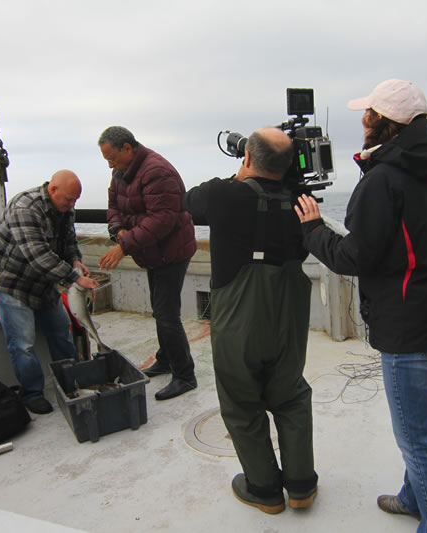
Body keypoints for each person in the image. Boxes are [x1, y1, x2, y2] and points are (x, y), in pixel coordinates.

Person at [295, 79, 427, 532]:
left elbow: (355, 257)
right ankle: (414, 498)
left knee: (417, 441)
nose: (363, 121)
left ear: (385, 124)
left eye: (368, 113)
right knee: (422, 425)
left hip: (410, 330)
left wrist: (313, 230)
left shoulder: (383, 180)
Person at [184, 127, 317, 514]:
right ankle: (302, 487)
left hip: (239, 316)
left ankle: (264, 490)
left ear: (246, 158)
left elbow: (188, 202)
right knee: (290, 395)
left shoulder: (224, 194)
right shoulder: (302, 199)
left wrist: (238, 176)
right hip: (289, 315)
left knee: (242, 401)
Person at [0, 170, 99, 415]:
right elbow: (38, 256)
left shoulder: (65, 208)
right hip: (11, 283)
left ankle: (70, 380)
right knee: (23, 342)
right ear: (52, 189)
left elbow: (69, 242)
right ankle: (32, 393)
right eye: (68, 200)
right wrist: (74, 278)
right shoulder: (25, 208)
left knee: (61, 331)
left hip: (43, 283)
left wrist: (76, 262)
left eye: (75, 201)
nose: (71, 205)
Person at [97, 126, 197, 401]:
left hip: (172, 252)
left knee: (166, 315)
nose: (109, 164)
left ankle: (185, 376)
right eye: (107, 159)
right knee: (160, 310)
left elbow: (163, 219)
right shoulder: (121, 171)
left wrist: (124, 246)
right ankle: (166, 360)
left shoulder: (156, 171)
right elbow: (113, 206)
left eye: (112, 158)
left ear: (127, 148)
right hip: (152, 251)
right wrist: (117, 230)